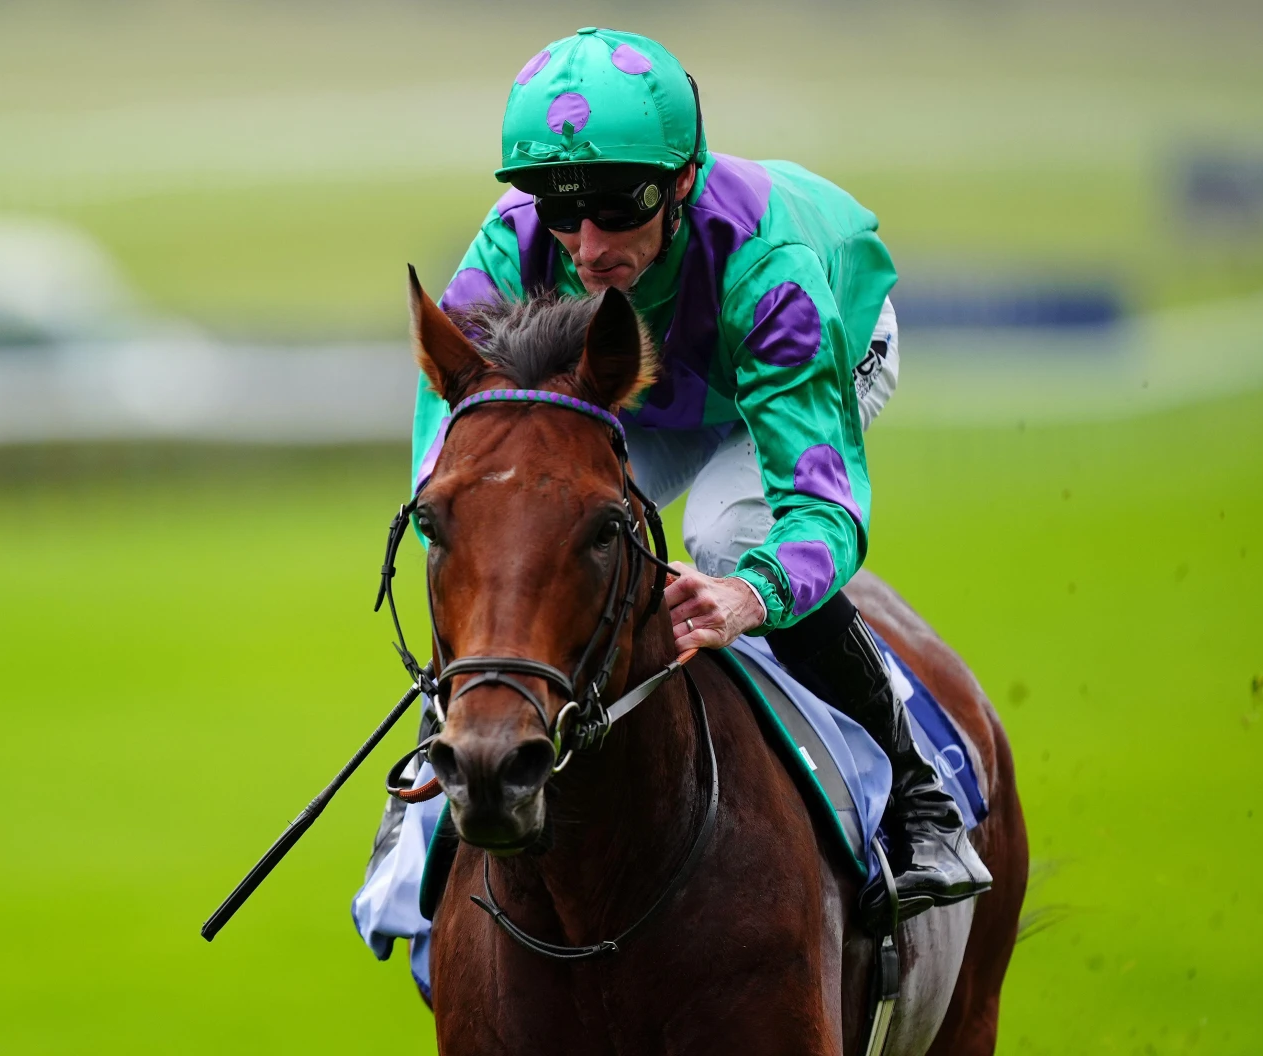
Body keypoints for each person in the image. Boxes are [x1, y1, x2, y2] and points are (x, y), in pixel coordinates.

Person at [396, 27, 988, 929]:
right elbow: (456, 445)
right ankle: (422, 800)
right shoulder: (517, 241)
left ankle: (917, 787)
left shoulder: (769, 270)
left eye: (618, 206)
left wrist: (749, 597)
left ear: (680, 180)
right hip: (654, 377)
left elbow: (822, 512)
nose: (588, 247)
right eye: (562, 210)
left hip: (807, 354)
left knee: (724, 532)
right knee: (519, 518)